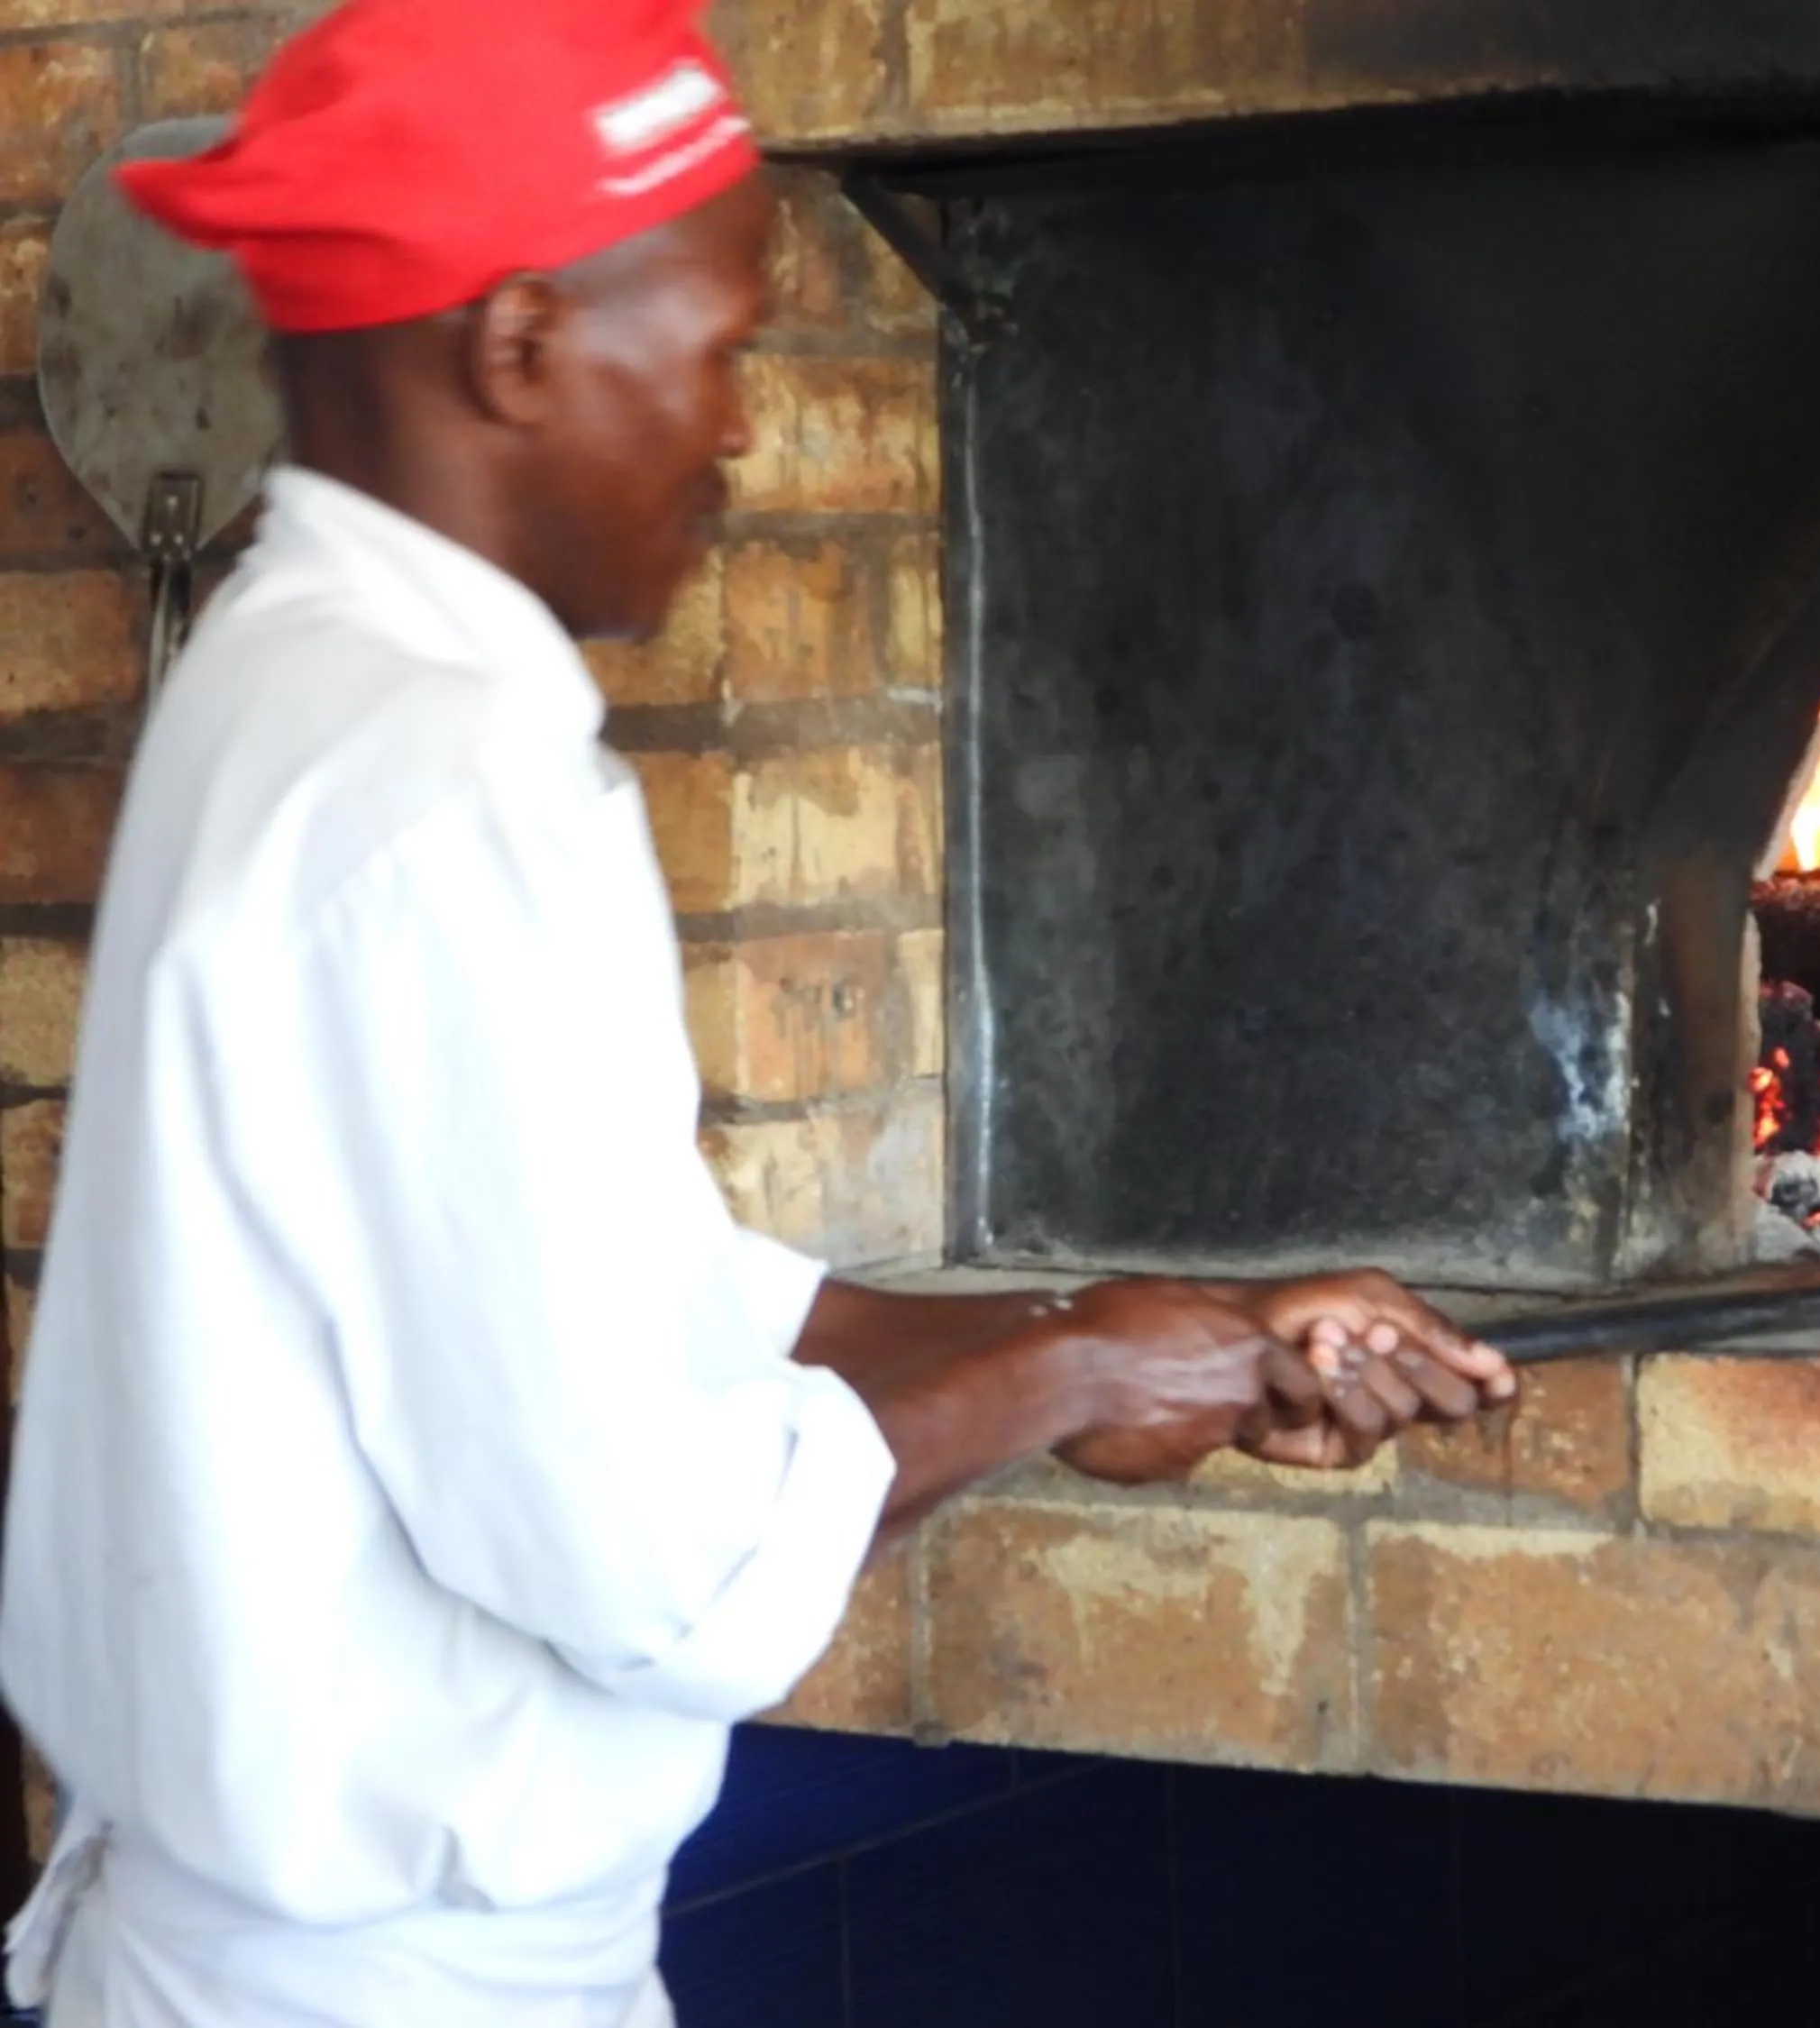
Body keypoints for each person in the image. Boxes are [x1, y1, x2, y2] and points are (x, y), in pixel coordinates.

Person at [0, 3, 1515, 2021]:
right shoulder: (440, 783)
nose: (739, 427)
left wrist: (1169, 1334)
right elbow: (648, 1558)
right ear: (519, 344)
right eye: (716, 348)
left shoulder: (305, 682)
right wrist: (1064, 1377)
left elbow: (626, 1294)